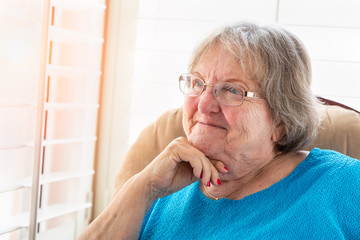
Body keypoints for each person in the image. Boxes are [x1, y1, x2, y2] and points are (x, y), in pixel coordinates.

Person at [79, 22, 360, 239]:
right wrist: (143, 188)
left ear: (281, 121)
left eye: (232, 90)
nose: (204, 103)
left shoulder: (344, 184)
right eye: (197, 83)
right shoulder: (157, 193)